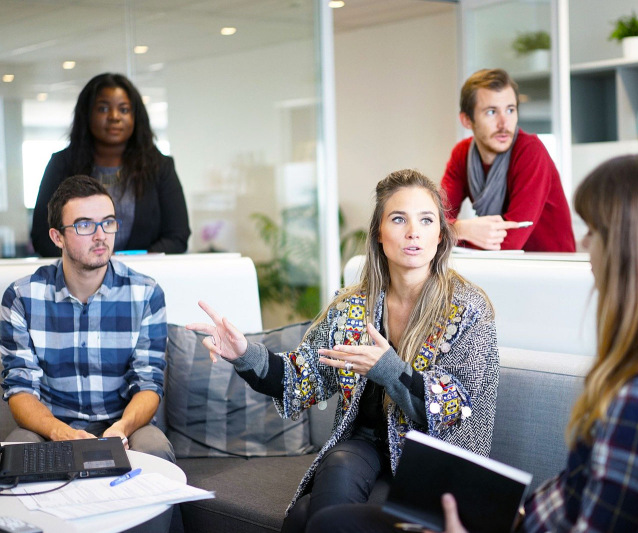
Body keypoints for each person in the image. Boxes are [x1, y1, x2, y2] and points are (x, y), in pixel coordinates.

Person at [311, 155, 638, 533]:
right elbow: (582, 497)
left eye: (595, 231)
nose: (584, 244)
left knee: (331, 525)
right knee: (323, 520)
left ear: (637, 252)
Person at [188, 169, 499, 532]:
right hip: (364, 445)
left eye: (426, 220)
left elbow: (455, 408)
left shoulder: (468, 309)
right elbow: (301, 377)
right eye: (399, 219)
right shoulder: (352, 306)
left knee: (304, 517)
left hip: (433, 456)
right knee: (336, 468)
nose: (413, 231)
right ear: (379, 233)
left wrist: (389, 370)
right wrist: (244, 354)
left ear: (440, 235)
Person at [1, 175, 174, 463]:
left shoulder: (146, 294)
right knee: (17, 453)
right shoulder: (21, 297)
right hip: (50, 427)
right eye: (84, 225)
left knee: (155, 450)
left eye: (108, 222)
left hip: (124, 425)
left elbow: (148, 383)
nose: (100, 235)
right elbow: (20, 389)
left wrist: (121, 429)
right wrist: (60, 432)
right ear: (57, 237)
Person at [30, 72, 190, 257]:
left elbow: (177, 236)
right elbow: (43, 237)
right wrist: (91, 261)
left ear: (136, 116)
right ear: (87, 114)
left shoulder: (160, 167)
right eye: (103, 109)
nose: (114, 117)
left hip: (144, 272)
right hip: (79, 273)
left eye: (124, 110)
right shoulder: (62, 165)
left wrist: (129, 263)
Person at [440, 68, 574, 252]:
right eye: (491, 112)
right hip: (500, 264)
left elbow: (510, 242)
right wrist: (462, 229)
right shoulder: (462, 154)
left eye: (510, 110)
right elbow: (433, 220)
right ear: (467, 120)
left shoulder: (530, 151)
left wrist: (451, 232)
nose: (504, 123)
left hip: (550, 265)